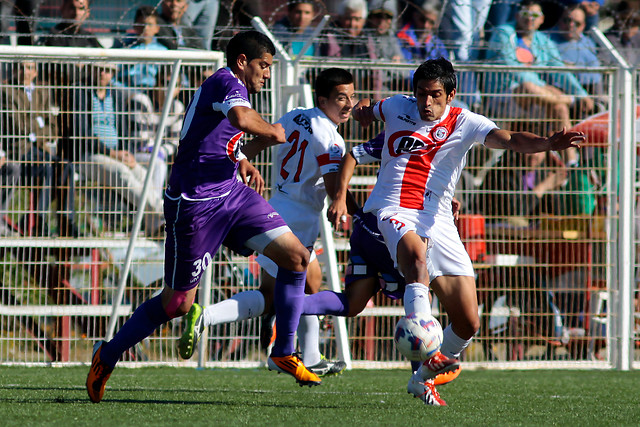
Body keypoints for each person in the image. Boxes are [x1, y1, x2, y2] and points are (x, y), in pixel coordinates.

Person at [86, 31, 321, 404]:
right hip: (193, 204)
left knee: (297, 258)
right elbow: (242, 119)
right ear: (243, 61)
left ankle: (284, 351)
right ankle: (107, 355)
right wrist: (274, 131)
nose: (266, 75)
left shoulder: (232, 88)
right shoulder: (226, 81)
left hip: (233, 193)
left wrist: (241, 158)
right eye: (263, 66)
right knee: (177, 303)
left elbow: (216, 133)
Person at [338, 57, 585, 405]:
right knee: (415, 258)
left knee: (468, 321)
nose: (426, 102)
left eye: (435, 95)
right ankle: (421, 331)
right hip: (392, 206)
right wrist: (364, 111)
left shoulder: (466, 122)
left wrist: (547, 143)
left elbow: (511, 138)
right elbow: (370, 110)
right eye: (421, 94)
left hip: (439, 218)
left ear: (451, 93)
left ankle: (422, 378)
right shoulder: (396, 106)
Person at [177, 67, 356, 377]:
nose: (349, 104)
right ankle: (206, 317)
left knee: (308, 284)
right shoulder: (333, 140)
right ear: (323, 99)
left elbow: (261, 140)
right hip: (301, 217)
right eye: (341, 98)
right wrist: (351, 206)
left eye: (352, 97)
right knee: (274, 296)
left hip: (278, 204)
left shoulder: (296, 115)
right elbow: (332, 189)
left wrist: (239, 159)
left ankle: (311, 355)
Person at [299, 131, 464, 406]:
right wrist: (341, 198)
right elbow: (353, 156)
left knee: (353, 304)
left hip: (369, 226)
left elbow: (423, 178)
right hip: (392, 229)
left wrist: (445, 201)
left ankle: (291, 305)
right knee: (419, 293)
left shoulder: (423, 129)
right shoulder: (405, 127)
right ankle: (422, 381)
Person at [66, 62, 164, 238]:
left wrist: (126, 153)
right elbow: (80, 132)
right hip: (87, 155)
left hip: (114, 154)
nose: (104, 74)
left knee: (143, 174)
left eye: (109, 71)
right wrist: (111, 153)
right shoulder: (79, 93)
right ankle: (165, 211)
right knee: (121, 172)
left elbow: (123, 130)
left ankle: (153, 226)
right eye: (100, 69)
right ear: (91, 70)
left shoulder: (116, 96)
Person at [484, 0, 594, 137]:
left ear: (542, 19)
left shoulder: (542, 40)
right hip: (503, 96)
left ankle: (571, 157)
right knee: (528, 87)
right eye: (525, 13)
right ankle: (571, 100)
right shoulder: (504, 33)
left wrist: (580, 93)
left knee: (559, 108)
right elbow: (511, 68)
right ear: (517, 16)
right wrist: (544, 87)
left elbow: (558, 68)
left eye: (535, 15)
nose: (530, 18)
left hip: (534, 98)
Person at [0, 60, 59, 236]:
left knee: (65, 168)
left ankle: (57, 223)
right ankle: (36, 222)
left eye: (30, 68)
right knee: (46, 166)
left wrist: (35, 127)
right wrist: (40, 122)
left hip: (39, 149)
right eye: (22, 67)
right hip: (17, 150)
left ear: (36, 72)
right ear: (15, 70)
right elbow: (17, 126)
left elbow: (54, 128)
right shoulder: (6, 90)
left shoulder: (43, 91)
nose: (26, 71)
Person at [129, 67, 185, 203]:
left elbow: (174, 141)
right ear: (156, 84)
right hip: (136, 152)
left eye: (174, 84)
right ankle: (156, 207)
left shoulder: (178, 107)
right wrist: (157, 151)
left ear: (179, 89)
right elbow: (140, 137)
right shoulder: (141, 100)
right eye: (165, 83)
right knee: (158, 164)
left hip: (161, 154)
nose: (169, 88)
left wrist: (160, 151)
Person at [548, 5, 603, 98]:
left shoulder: (589, 42)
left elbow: (595, 73)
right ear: (560, 21)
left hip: (589, 89)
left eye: (577, 23)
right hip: (559, 91)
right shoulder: (547, 40)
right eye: (567, 20)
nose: (571, 25)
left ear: (583, 26)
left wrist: (575, 68)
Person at [113, 6, 168, 89]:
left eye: (150, 25)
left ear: (157, 28)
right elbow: (112, 72)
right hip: (125, 89)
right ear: (135, 26)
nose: (145, 28)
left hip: (152, 91)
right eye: (142, 24)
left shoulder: (164, 52)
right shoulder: (124, 47)